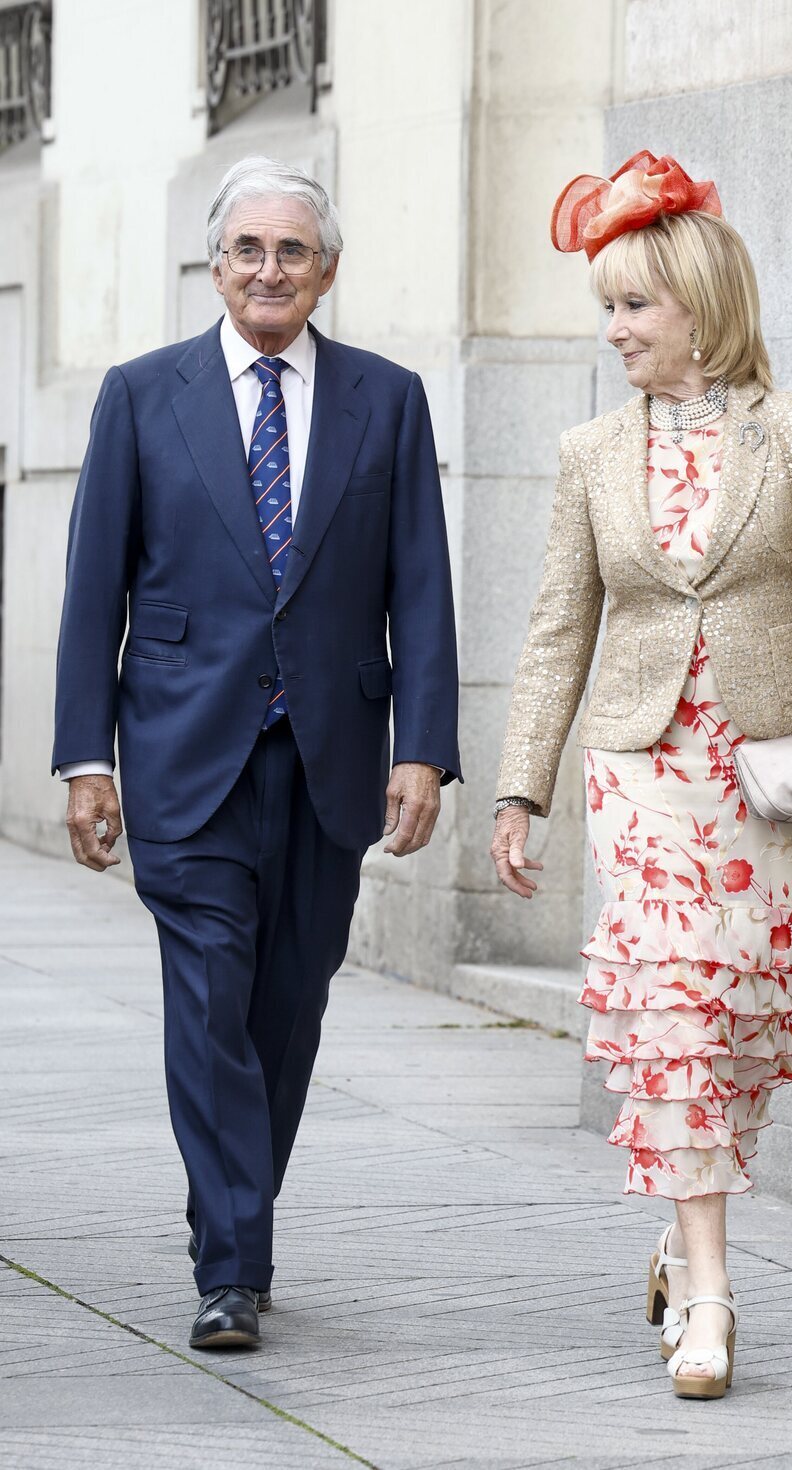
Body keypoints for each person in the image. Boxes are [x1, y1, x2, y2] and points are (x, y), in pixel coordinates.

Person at [490, 151, 792, 1400]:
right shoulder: (588, 454)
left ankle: (681, 1239)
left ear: (698, 306)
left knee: (743, 1027)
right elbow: (558, 628)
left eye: (632, 305)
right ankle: (714, 1297)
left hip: (769, 777)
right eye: (605, 307)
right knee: (674, 1010)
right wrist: (522, 787)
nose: (611, 330)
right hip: (644, 768)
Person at [52, 155, 461, 1350]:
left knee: (287, 1008)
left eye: (292, 251)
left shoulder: (386, 400)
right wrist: (88, 757)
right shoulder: (141, 395)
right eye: (247, 250)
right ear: (216, 265)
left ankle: (231, 1209)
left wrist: (424, 747)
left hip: (329, 754)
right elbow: (92, 594)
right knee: (208, 996)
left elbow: (420, 588)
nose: (268, 270)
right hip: (184, 754)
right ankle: (230, 1263)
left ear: (325, 270)